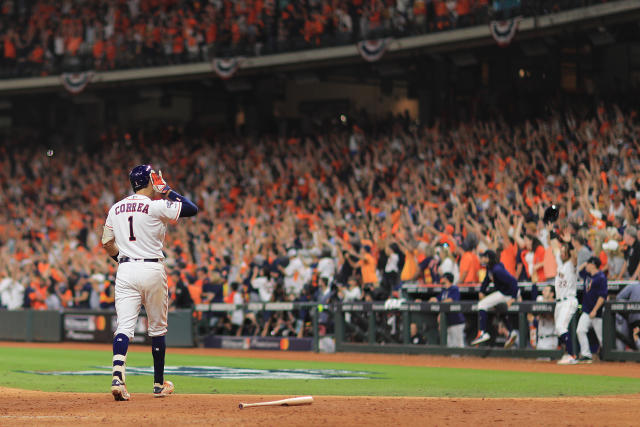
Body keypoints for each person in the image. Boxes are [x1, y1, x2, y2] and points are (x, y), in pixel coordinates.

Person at [101, 165, 198, 401]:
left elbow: (106, 241)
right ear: (150, 181)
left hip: (125, 269)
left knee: (124, 326)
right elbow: (191, 209)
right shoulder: (155, 205)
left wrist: (122, 259)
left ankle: (117, 378)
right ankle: (157, 384)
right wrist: (166, 190)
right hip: (152, 267)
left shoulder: (116, 207)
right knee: (157, 328)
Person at [470, 250, 519, 348]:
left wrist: (513, 298)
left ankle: (483, 332)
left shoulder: (497, 269)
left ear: (488, 258)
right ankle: (511, 332)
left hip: (506, 294)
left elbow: (513, 281)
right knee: (499, 310)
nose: (482, 259)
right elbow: (486, 280)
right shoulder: (491, 268)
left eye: (483, 257)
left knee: (482, 305)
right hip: (503, 293)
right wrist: (482, 291)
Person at [552, 239, 579, 365]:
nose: (562, 254)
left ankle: (572, 355)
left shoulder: (571, 265)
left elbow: (575, 257)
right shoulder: (561, 264)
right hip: (559, 302)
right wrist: (551, 230)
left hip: (568, 300)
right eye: (562, 251)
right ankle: (568, 353)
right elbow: (554, 247)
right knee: (558, 330)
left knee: (561, 327)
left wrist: (570, 243)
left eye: (564, 252)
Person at [576, 257, 608, 363]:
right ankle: (586, 355)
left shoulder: (601, 277)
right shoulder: (587, 275)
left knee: (602, 337)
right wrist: (585, 263)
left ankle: (609, 356)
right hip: (586, 310)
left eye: (589, 264)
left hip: (597, 312)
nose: (586, 266)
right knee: (580, 330)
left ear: (593, 265)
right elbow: (578, 271)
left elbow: (602, 296)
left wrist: (595, 310)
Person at [430, 272, 465, 347]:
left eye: (443, 278)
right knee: (450, 345)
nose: (442, 280)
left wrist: (439, 303)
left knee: (459, 346)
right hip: (448, 322)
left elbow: (450, 300)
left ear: (447, 279)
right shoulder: (444, 290)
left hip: (457, 322)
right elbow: (437, 299)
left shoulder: (454, 288)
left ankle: (463, 359)